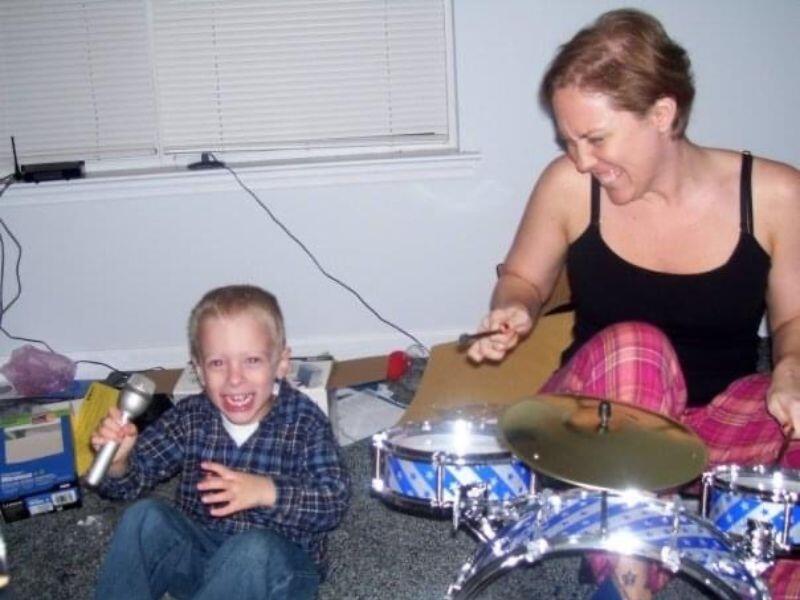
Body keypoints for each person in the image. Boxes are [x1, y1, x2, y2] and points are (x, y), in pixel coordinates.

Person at [467, 8, 800, 600]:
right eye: (568, 141)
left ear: (663, 114)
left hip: (710, 429)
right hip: (596, 421)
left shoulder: (776, 195)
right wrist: (514, 306)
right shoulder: (569, 186)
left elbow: (795, 319)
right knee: (637, 345)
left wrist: (792, 367)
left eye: (594, 138)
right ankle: (629, 579)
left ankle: (773, 570)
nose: (580, 160)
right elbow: (521, 278)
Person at [91, 284, 350, 599]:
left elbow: (333, 501)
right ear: (199, 370)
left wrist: (267, 491)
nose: (234, 377)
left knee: (253, 549)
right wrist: (118, 463)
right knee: (144, 517)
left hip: (277, 570)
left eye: (252, 360)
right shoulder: (190, 417)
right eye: (217, 363)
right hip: (203, 558)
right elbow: (129, 483)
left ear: (281, 363)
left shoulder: (304, 423)